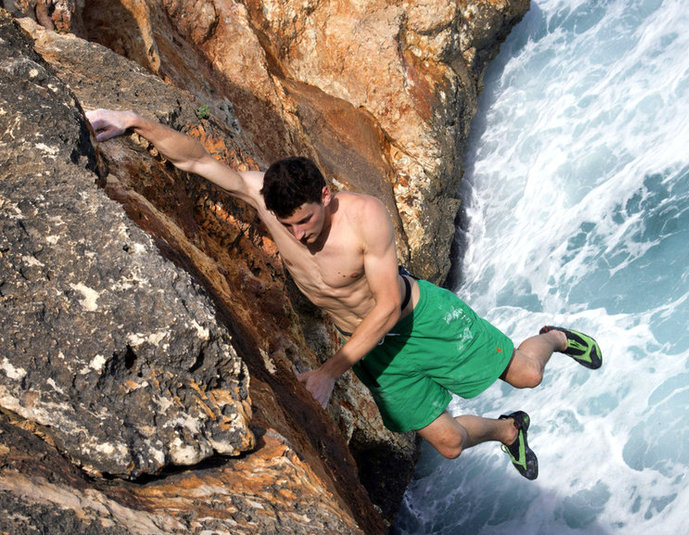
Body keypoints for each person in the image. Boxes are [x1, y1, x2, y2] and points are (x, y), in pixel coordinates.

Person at [85, 108, 602, 480]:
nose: (300, 235)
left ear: (326, 197)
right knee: (447, 446)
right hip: (372, 351)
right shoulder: (272, 204)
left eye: (306, 221)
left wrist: (331, 372)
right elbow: (197, 161)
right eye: (288, 225)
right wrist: (134, 122)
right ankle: (509, 432)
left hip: (420, 321)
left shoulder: (365, 218)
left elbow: (389, 305)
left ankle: (553, 336)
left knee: (524, 374)